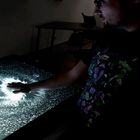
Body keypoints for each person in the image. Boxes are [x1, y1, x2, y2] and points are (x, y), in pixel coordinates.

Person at [8, 0, 139, 138]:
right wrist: (30, 87)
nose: (95, 11)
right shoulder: (108, 38)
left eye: (101, 1)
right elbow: (71, 75)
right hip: (79, 122)